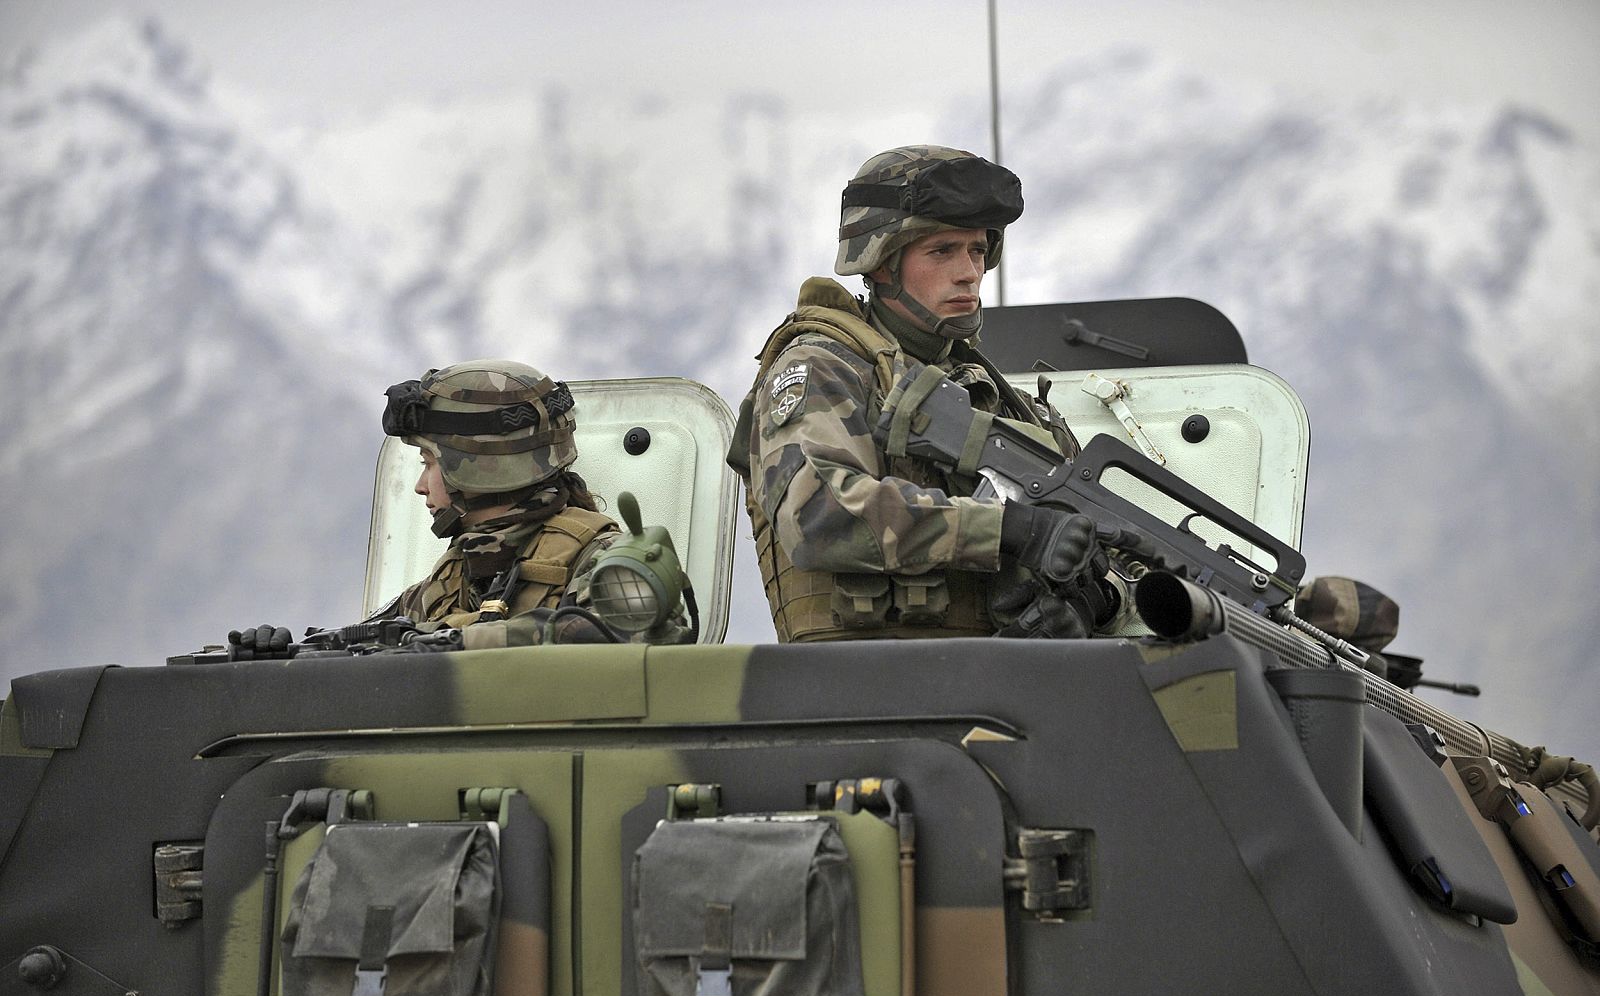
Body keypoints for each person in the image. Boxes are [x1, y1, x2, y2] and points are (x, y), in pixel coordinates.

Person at [731, 144, 1120, 643]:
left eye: (977, 250)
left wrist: (1093, 601)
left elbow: (1097, 543)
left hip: (998, 686)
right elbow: (817, 515)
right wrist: (1009, 531)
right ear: (880, 264)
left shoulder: (1000, 399)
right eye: (942, 251)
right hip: (863, 691)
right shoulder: (824, 366)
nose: (968, 272)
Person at [230, 359, 692, 656]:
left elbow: (611, 635)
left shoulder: (605, 560)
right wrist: (289, 653)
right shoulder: (455, 578)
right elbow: (373, 642)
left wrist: (453, 642)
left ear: (480, 467)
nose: (419, 485)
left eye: (429, 462)